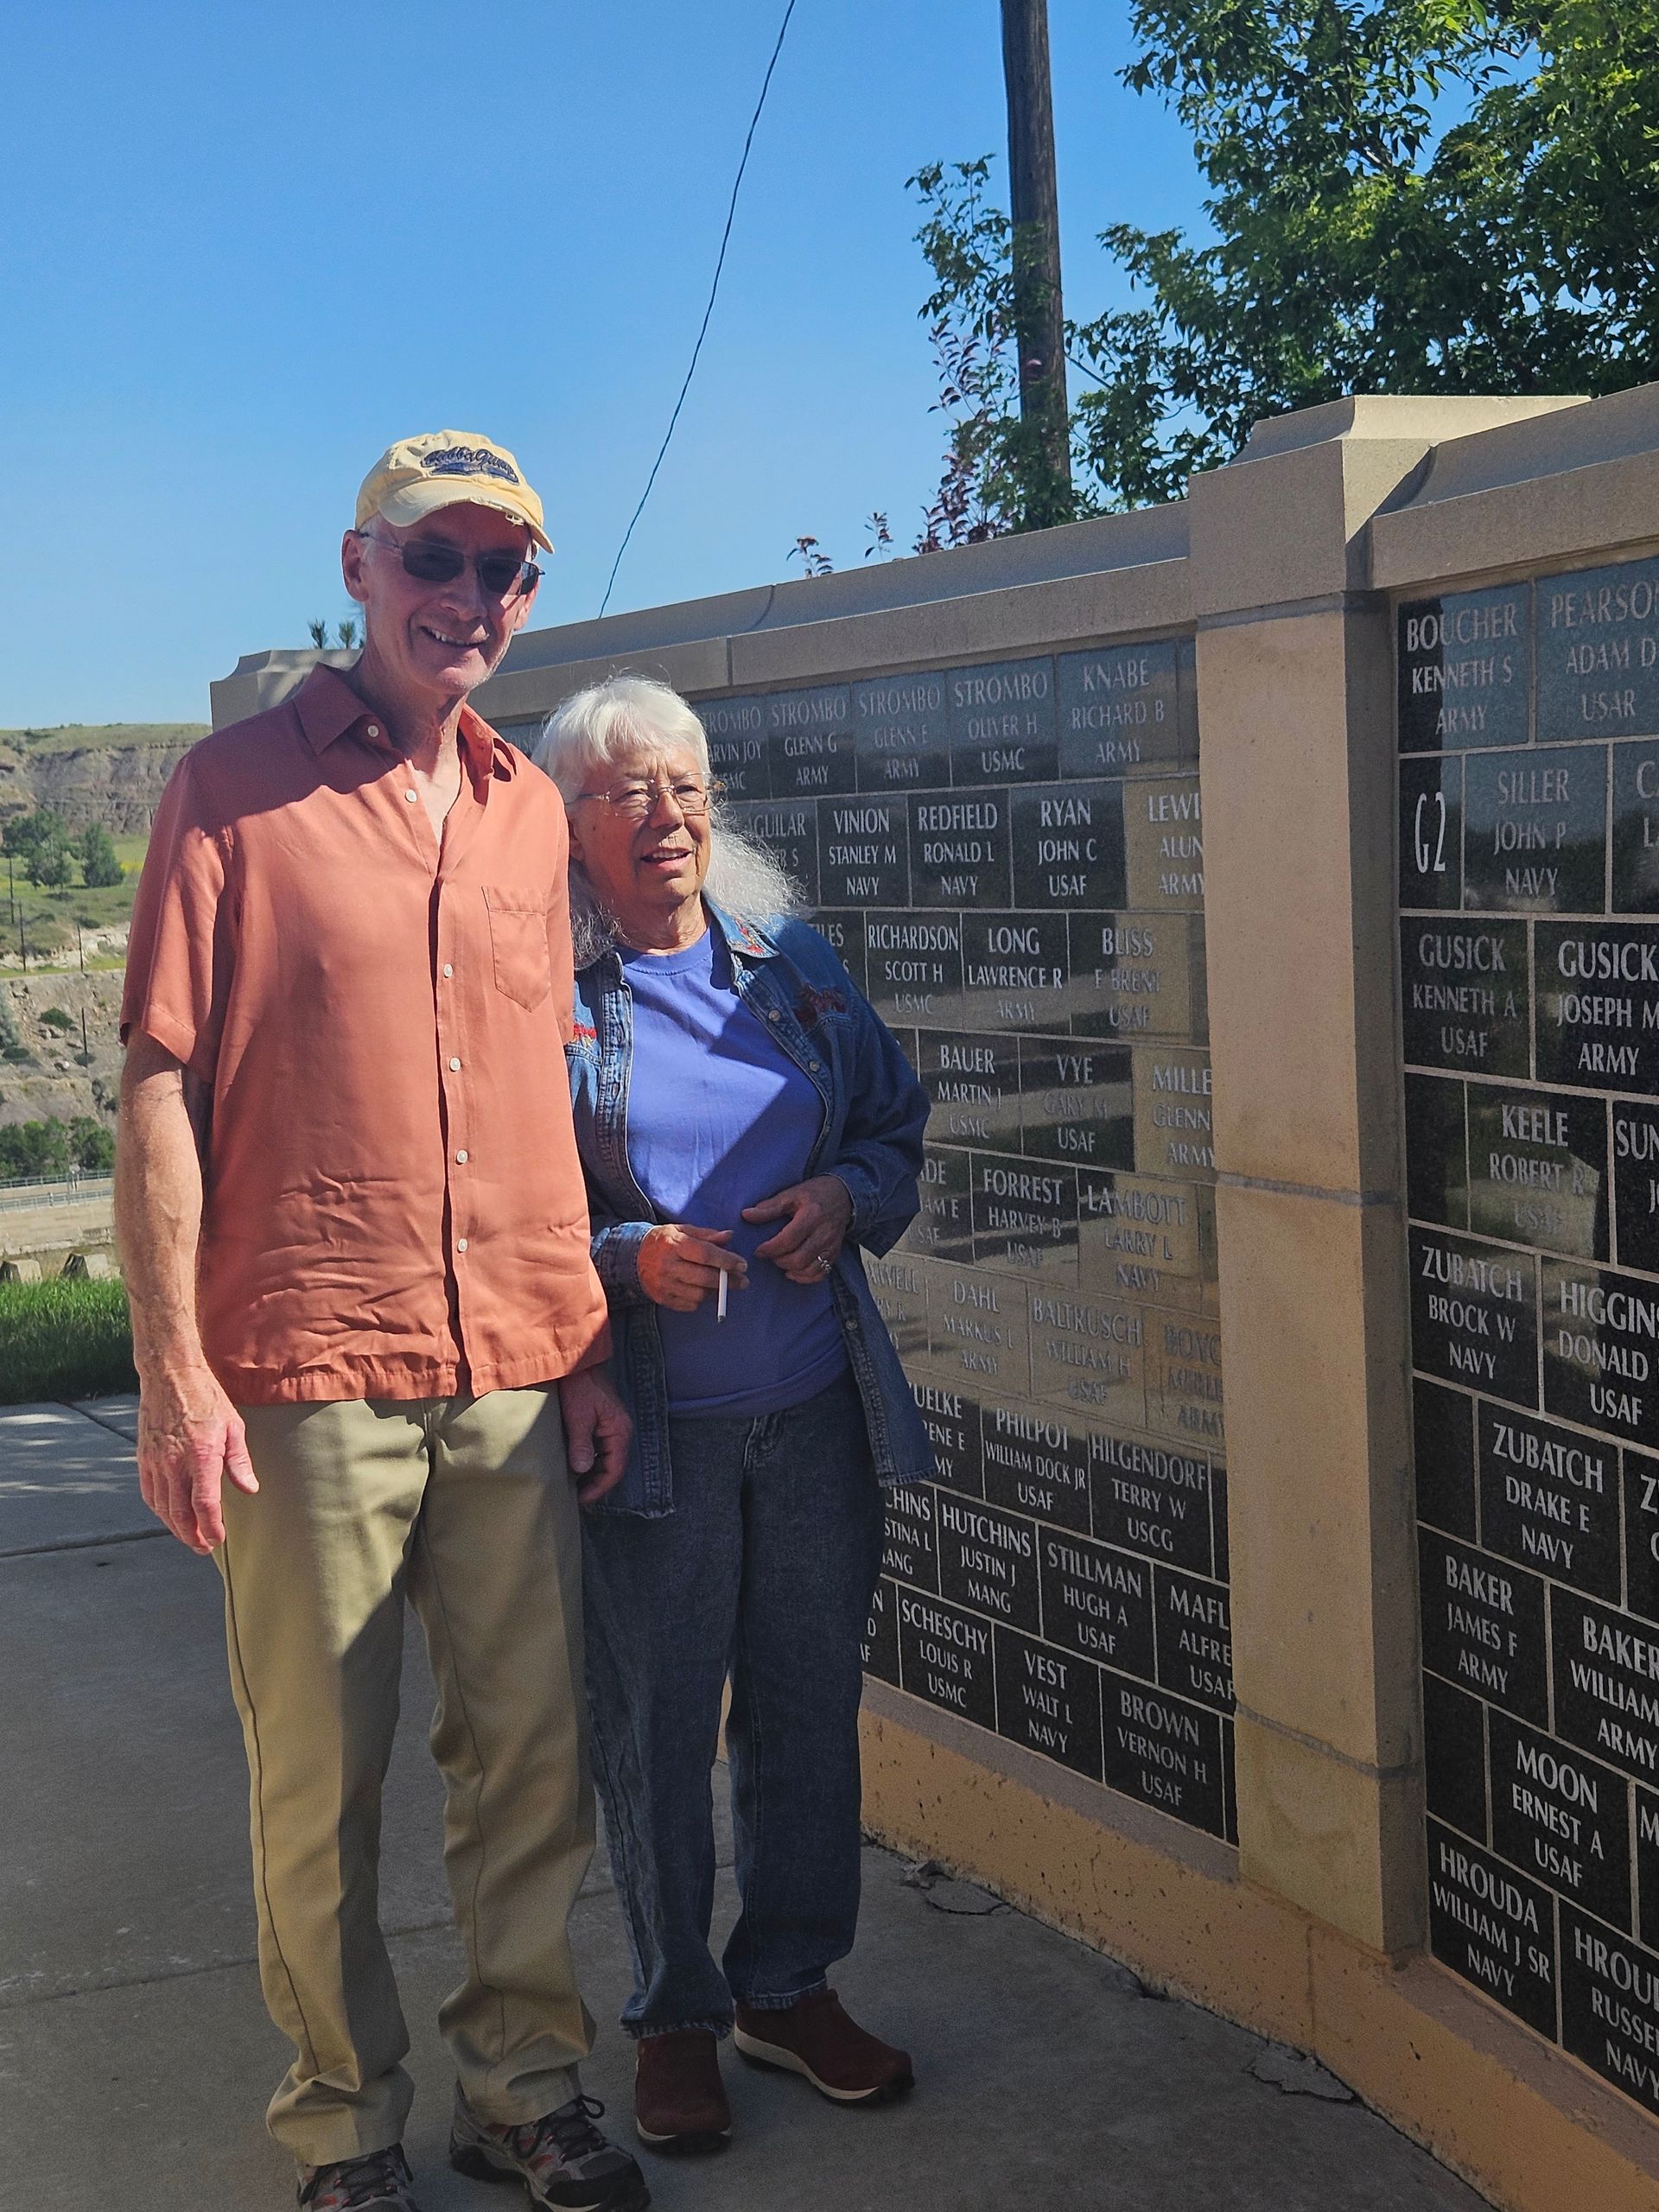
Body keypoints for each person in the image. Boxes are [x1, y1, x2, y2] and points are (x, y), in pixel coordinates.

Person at [116, 433, 650, 2212]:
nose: (471, 599)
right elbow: (161, 1087)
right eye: (440, 560)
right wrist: (172, 1368)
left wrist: (577, 1341)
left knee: (531, 1768)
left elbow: (536, 1091)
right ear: (361, 564)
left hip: (509, 1369)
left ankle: (526, 2082)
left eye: (507, 570)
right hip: (304, 1376)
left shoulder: (521, 806)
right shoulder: (232, 789)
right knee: (317, 1789)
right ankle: (345, 2122)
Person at [536, 677, 936, 2160]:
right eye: (627, 791)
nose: (667, 816)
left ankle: (786, 1985)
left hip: (815, 1413)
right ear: (568, 828)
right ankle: (676, 2017)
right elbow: (498, 1214)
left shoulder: (796, 969)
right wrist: (619, 1261)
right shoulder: (545, 1005)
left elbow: (895, 1126)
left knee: (803, 1715)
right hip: (651, 1435)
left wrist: (846, 1196)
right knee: (650, 1736)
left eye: (688, 787)